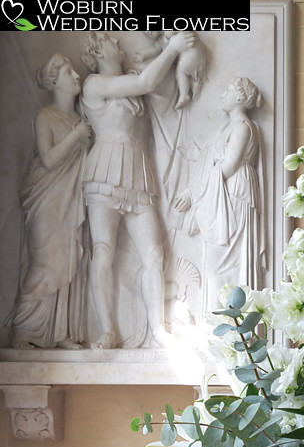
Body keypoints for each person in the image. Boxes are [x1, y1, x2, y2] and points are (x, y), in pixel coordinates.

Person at [79, 32, 195, 349]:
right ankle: (107, 330)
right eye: (108, 42)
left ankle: (158, 327)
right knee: (103, 249)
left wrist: (167, 49)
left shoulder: (131, 80)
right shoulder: (94, 84)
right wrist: (172, 48)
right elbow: (146, 82)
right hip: (105, 168)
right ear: (96, 52)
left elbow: (156, 86)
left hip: (137, 173)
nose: (117, 44)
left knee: (155, 254)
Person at [7, 53, 92, 349]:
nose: (76, 76)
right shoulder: (45, 116)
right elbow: (49, 158)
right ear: (55, 81)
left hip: (70, 198)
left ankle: (58, 332)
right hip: (45, 197)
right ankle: (22, 328)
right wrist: (77, 136)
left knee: (70, 260)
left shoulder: (80, 118)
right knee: (44, 262)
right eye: (70, 72)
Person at [174, 77, 266, 313]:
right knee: (217, 263)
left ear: (239, 98)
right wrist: (196, 155)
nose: (222, 94)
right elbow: (215, 158)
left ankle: (229, 326)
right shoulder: (230, 128)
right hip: (224, 195)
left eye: (227, 89)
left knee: (222, 263)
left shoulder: (242, 127)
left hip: (233, 195)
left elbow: (228, 166)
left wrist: (193, 192)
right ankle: (221, 325)